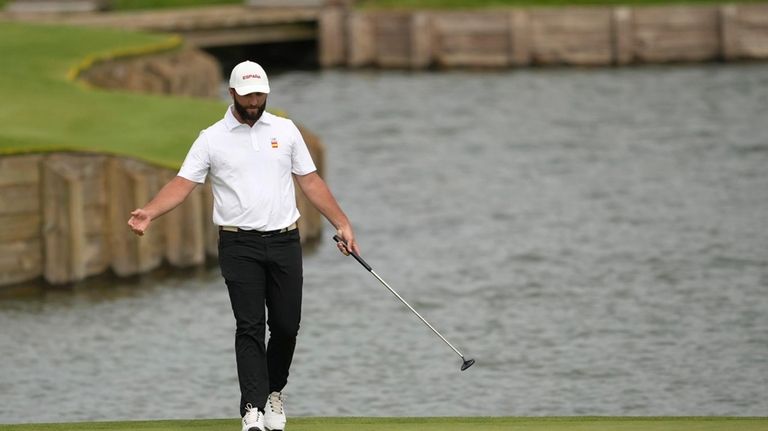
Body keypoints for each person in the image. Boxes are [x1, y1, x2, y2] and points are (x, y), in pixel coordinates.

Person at [128, 60, 359, 431]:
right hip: (238, 244)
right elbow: (183, 183)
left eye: (260, 93)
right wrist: (150, 213)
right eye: (248, 94)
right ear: (232, 93)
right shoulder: (211, 138)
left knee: (286, 326)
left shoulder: (285, 131)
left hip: (285, 240)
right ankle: (252, 408)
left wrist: (342, 223)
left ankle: (273, 393)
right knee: (250, 325)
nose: (255, 100)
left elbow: (311, 181)